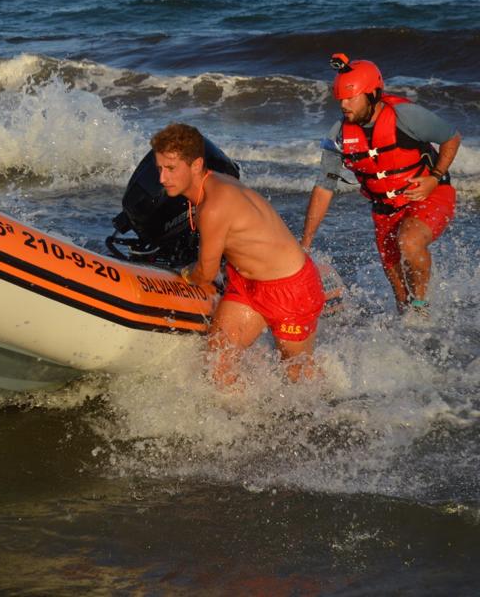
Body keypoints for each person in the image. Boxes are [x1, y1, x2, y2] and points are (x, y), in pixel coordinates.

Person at [151, 123, 325, 388]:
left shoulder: (213, 207)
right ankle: (238, 422)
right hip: (247, 284)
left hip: (291, 289)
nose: (162, 178)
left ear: (196, 165)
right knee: (218, 362)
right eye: (160, 168)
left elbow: (205, 274)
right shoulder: (212, 184)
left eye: (171, 169)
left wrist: (184, 274)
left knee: (298, 377)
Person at [300, 54, 461, 316]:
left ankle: (422, 309)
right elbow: (323, 187)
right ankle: (408, 323)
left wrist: (435, 176)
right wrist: (305, 243)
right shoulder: (338, 135)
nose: (344, 105)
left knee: (409, 241)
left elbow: (451, 137)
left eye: (351, 97)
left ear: (373, 94)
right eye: (341, 99)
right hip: (385, 209)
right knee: (398, 293)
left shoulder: (406, 117)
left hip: (431, 195)